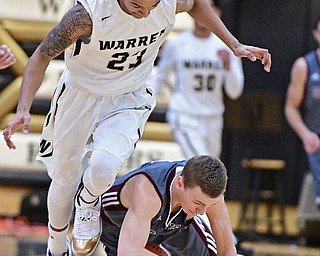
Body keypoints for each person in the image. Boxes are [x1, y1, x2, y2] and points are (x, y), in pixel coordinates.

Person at [2, 0, 271, 255]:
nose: (143, 13)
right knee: (64, 179)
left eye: (150, 6)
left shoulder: (167, 4)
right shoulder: (86, 16)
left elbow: (197, 3)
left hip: (128, 97)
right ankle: (57, 245)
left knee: (104, 167)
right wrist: (24, 108)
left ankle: (88, 200)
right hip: (80, 94)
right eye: (136, 6)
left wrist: (233, 44)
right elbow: (41, 55)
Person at [152, 0, 244, 159]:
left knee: (207, 171)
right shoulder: (177, 43)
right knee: (204, 165)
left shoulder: (226, 46)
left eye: (210, 7)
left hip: (213, 118)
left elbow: (235, 92)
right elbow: (159, 79)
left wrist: (229, 68)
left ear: (217, 11)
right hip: (184, 115)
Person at [99, 155, 238, 256]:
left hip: (175, 219)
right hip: (118, 225)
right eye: (198, 203)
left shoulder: (210, 193)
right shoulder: (149, 191)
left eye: (209, 204)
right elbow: (128, 251)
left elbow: (227, 251)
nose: (202, 212)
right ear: (180, 183)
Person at [285, 16, 320, 210]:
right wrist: (305, 134)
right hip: (317, 140)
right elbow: (291, 107)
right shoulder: (304, 66)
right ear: (316, 34)